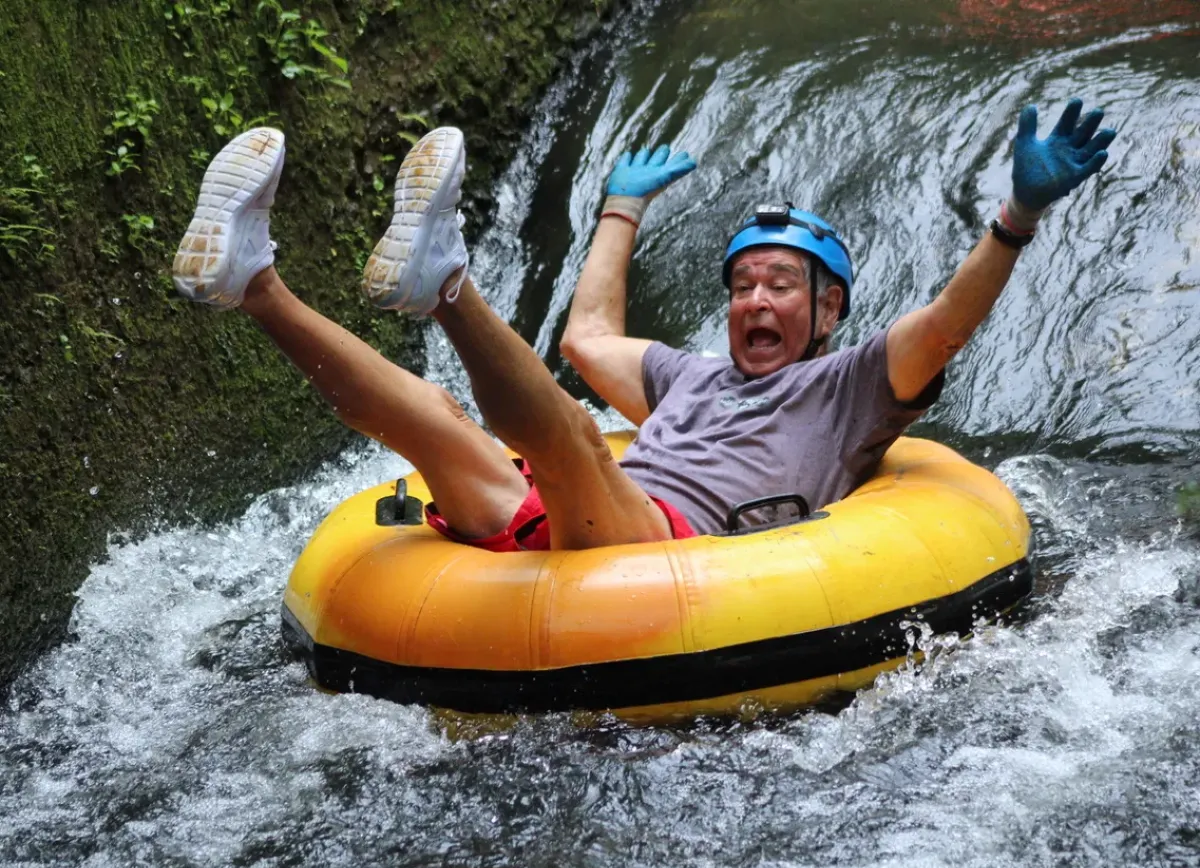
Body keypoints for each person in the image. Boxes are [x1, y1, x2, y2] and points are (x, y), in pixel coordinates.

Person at [171, 100, 1114, 551]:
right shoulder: (691, 375)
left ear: (831, 309)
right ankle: (255, 284)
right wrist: (620, 211)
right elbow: (585, 341)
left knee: (577, 434)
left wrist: (1016, 219)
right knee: (434, 423)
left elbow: (947, 325)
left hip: (656, 547)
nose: (755, 301)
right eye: (743, 285)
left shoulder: (854, 385)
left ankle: (447, 283)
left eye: (783, 285)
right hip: (555, 520)